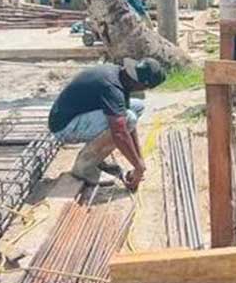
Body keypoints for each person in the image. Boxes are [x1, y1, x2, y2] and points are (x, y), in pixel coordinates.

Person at [48, 57, 166, 191]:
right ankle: (84, 168)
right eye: (146, 87)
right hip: (64, 127)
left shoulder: (121, 76)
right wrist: (138, 167)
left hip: (77, 116)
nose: (143, 90)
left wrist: (139, 161)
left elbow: (129, 127)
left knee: (136, 107)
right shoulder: (112, 88)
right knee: (126, 120)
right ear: (140, 83)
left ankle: (97, 159)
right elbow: (120, 132)